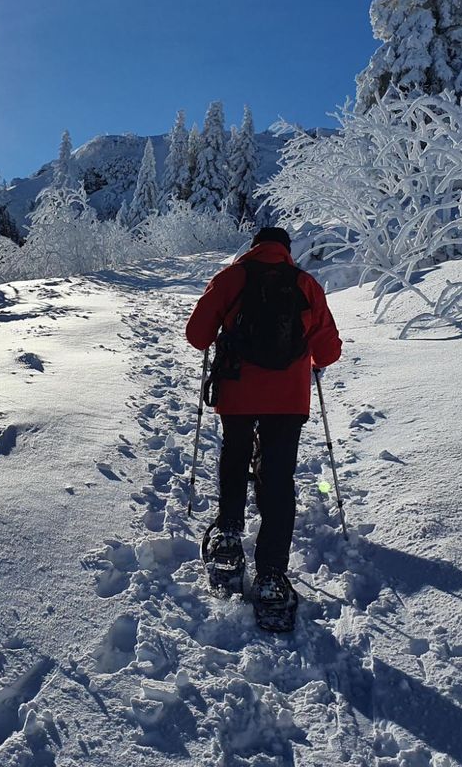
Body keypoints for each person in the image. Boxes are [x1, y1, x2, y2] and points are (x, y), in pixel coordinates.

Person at [185, 226, 341, 624]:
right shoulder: (305, 284)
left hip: (238, 391)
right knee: (277, 474)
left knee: (235, 455)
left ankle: (229, 538)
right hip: (287, 400)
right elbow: (329, 350)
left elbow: (196, 336)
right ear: (286, 252)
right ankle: (271, 573)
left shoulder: (230, 277)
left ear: (254, 248)